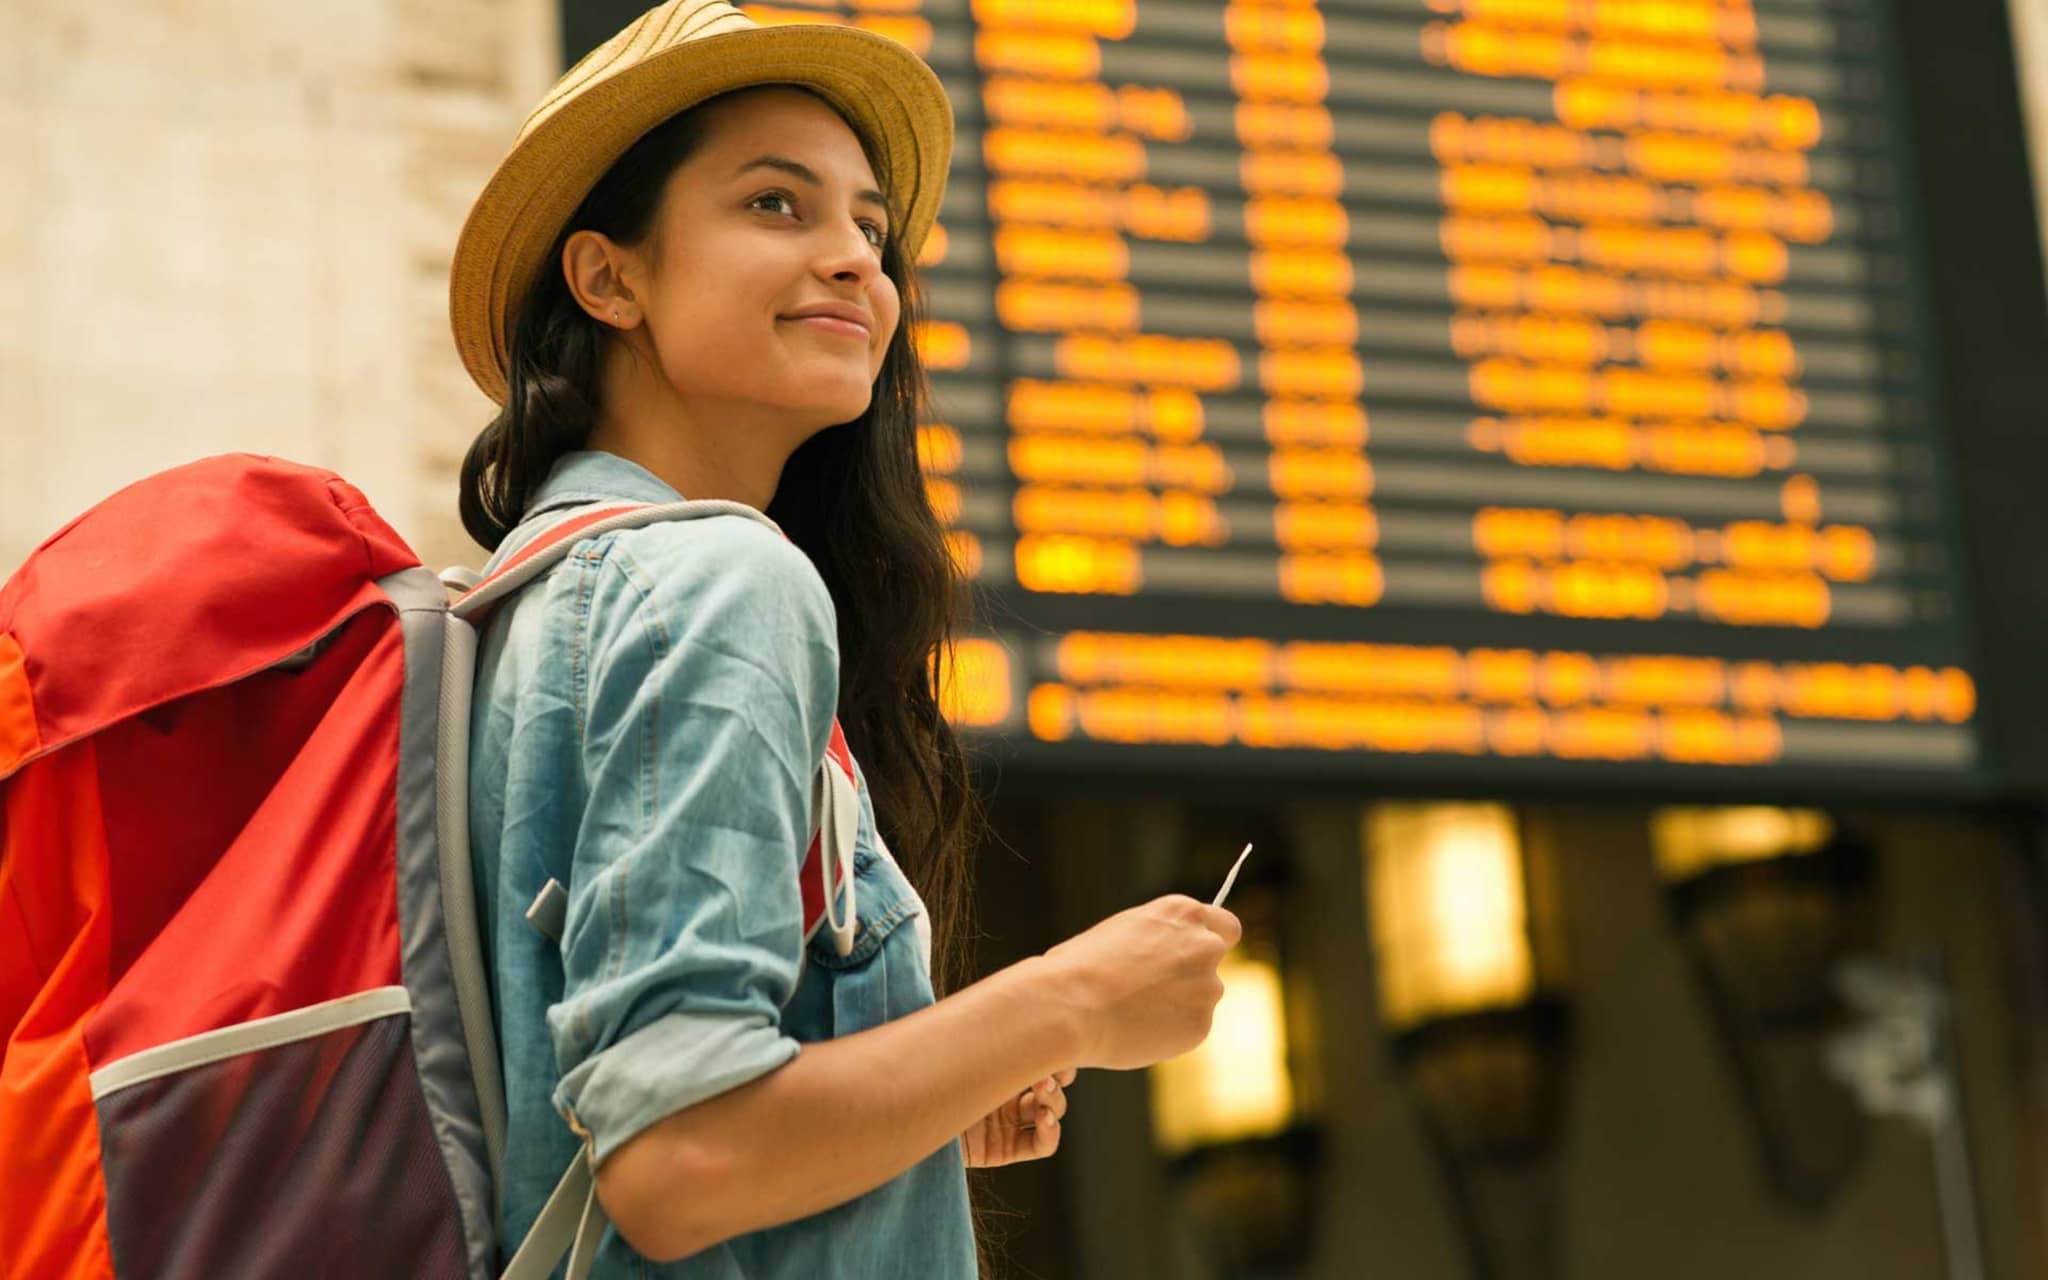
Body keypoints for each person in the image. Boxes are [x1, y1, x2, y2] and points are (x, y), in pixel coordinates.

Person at [446, 3, 1241, 1274]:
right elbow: (680, 1155)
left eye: (869, 229)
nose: (854, 261)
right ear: (610, 278)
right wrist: (1068, 997)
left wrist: (920, 1101)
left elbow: (586, 1121)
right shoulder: (720, 580)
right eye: (776, 205)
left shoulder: (518, 602)